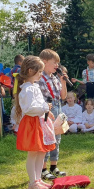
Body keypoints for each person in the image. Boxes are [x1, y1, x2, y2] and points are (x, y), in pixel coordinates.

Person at [15, 56, 56, 189]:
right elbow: (29, 109)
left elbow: (39, 104)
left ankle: (38, 179)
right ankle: (32, 182)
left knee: (41, 152)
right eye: (39, 72)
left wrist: (47, 110)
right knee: (33, 153)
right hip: (32, 123)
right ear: (31, 70)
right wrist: (44, 108)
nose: (40, 75)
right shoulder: (27, 90)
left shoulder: (34, 87)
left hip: (39, 122)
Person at [37, 49, 67, 180]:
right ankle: (43, 169)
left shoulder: (54, 78)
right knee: (46, 140)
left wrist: (64, 81)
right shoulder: (39, 79)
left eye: (58, 63)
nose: (57, 65)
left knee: (56, 139)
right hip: (46, 113)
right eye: (54, 62)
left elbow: (63, 96)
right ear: (44, 62)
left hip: (57, 110)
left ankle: (53, 167)